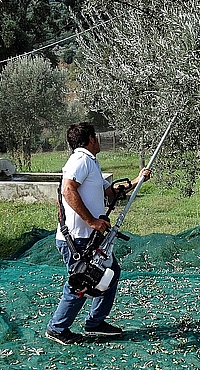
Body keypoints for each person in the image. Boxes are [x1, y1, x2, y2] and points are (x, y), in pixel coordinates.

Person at [46, 122, 150, 345]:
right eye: (97, 136)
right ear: (91, 139)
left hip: (89, 236)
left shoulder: (91, 162)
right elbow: (67, 189)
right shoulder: (80, 160)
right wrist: (92, 221)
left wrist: (137, 180)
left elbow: (110, 192)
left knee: (110, 273)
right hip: (77, 237)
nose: (99, 140)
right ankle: (57, 328)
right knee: (82, 281)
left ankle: (95, 323)